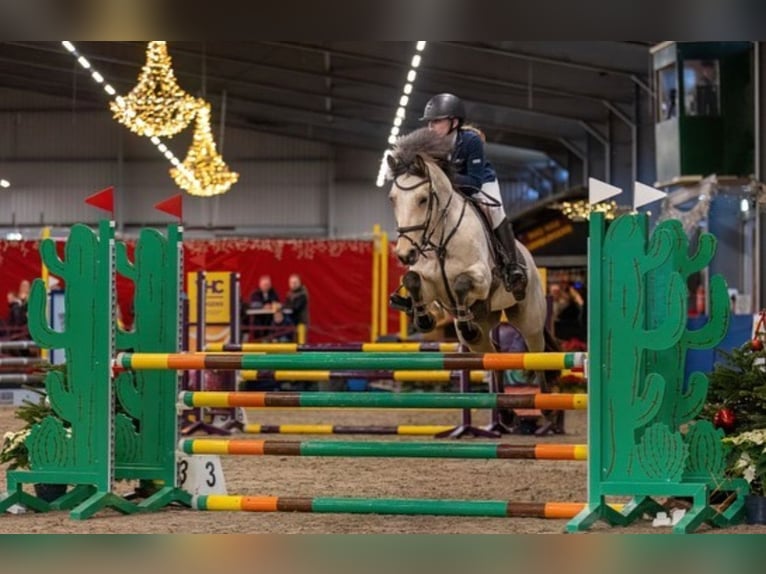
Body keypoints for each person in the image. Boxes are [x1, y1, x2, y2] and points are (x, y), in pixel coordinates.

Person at [399, 93, 528, 302]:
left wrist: (443, 179)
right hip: (449, 189)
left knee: (493, 209)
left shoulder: (471, 141)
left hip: (480, 182)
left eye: (437, 121)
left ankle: (512, 267)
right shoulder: (428, 145)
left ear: (454, 122)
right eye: (430, 122)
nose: (432, 126)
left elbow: (474, 182)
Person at [248, 275, 280, 340]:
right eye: (265, 285)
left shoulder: (273, 292)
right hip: (258, 320)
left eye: (268, 284)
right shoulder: (255, 293)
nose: (266, 286)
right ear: (260, 285)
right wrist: (263, 306)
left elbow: (277, 302)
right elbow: (253, 305)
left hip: (270, 320)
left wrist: (272, 305)